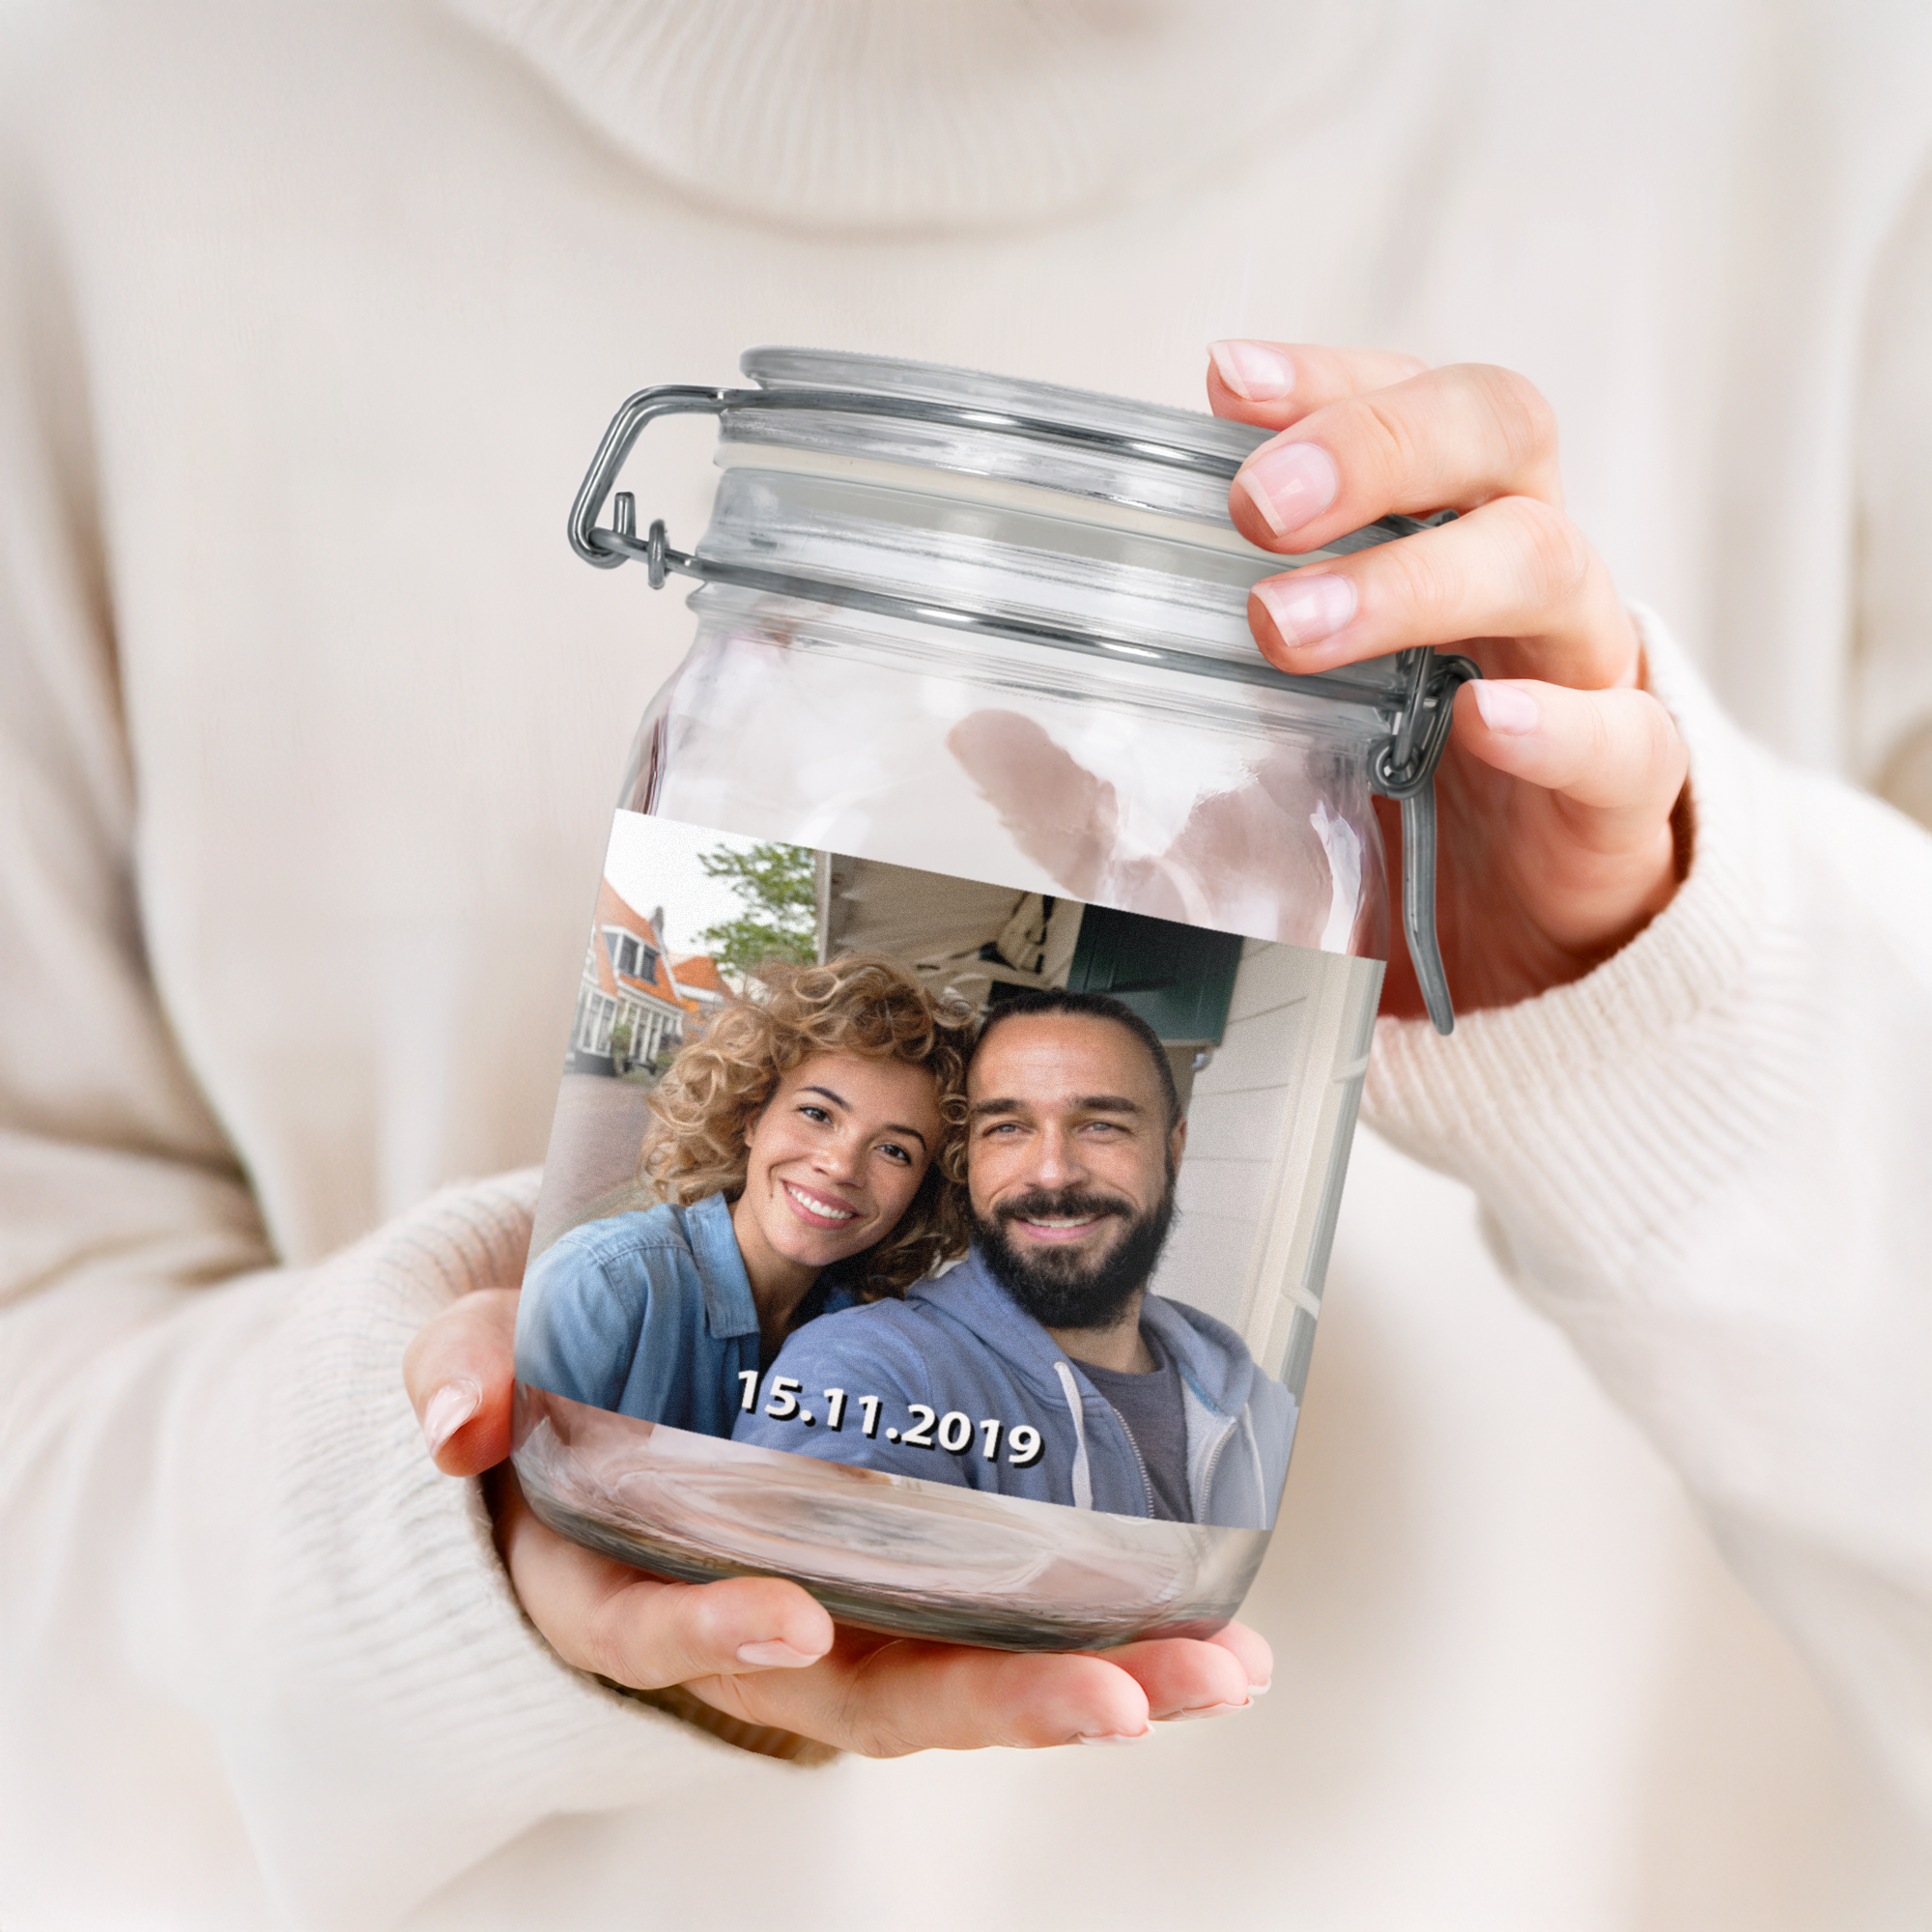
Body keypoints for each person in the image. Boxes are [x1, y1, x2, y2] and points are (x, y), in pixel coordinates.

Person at [5, 5, 1931, 1926]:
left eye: (926, 1141)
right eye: (964, 1124)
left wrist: (1655, 995)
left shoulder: (1825, 97)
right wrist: (407, 1542)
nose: (879, 1169)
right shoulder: (101, 121)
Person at [733, 990, 1295, 1527]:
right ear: (967, 1160)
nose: (1052, 1173)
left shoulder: (1262, 1409)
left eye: (1101, 1125)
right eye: (1006, 1127)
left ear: (1173, 1148)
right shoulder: (866, 1369)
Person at [514, 954, 972, 1434]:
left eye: (894, 1150)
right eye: (817, 1114)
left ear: (923, 1187)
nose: (841, 1167)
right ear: (753, 1116)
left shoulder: (872, 1340)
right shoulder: (602, 1286)